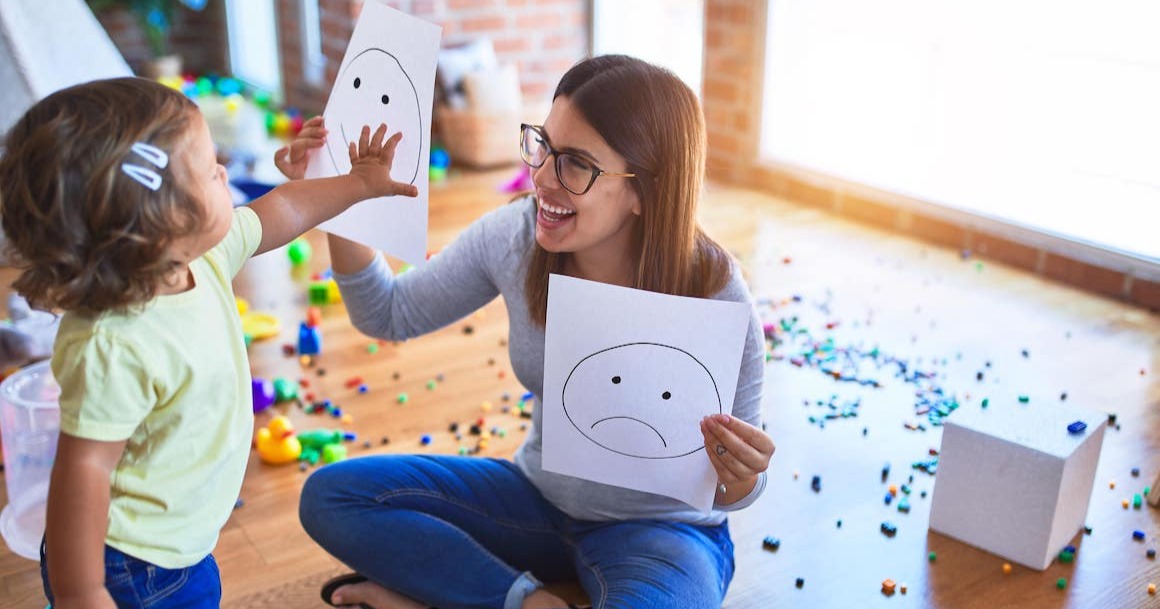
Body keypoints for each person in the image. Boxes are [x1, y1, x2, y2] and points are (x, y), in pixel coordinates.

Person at [292, 55, 775, 609]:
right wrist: (340, 195)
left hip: (663, 534)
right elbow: (387, 312)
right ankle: (525, 602)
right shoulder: (518, 236)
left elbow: (736, 489)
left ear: (645, 189)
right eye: (543, 145)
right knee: (333, 497)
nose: (541, 176)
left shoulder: (715, 292)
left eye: (575, 164)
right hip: (534, 502)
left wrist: (744, 477)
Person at [0, 76, 418, 609]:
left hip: (181, 545)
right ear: (158, 222)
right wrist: (82, 592)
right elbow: (81, 473)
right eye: (208, 168)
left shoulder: (203, 256)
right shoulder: (110, 344)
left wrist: (359, 184)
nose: (225, 171)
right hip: (130, 568)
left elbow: (285, 207)